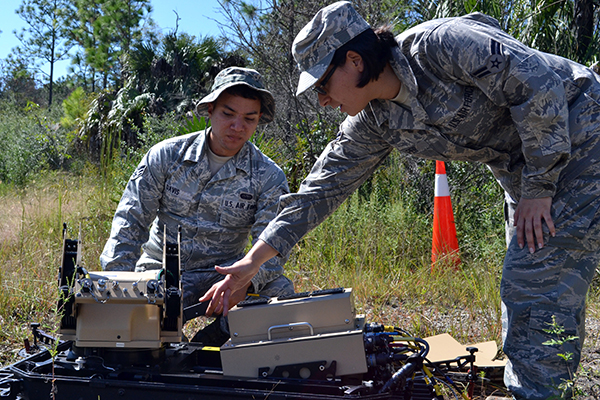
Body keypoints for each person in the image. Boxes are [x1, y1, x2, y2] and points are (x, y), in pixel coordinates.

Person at [200, 2, 600, 399]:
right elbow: (319, 191)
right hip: (527, 171)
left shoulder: (442, 46)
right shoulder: (373, 121)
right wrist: (252, 264)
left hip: (583, 135)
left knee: (533, 283)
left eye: (322, 84)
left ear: (354, 60)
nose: (322, 100)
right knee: (536, 286)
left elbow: (538, 83)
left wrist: (539, 187)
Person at [100, 66, 295, 345]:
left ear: (259, 120)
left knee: (279, 294)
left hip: (226, 275)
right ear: (210, 110)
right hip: (161, 271)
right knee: (143, 338)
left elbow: (272, 247)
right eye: (228, 114)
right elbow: (130, 221)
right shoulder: (166, 156)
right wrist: (117, 285)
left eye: (249, 119)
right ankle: (166, 342)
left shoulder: (268, 175)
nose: (237, 127)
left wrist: (245, 282)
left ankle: (211, 344)